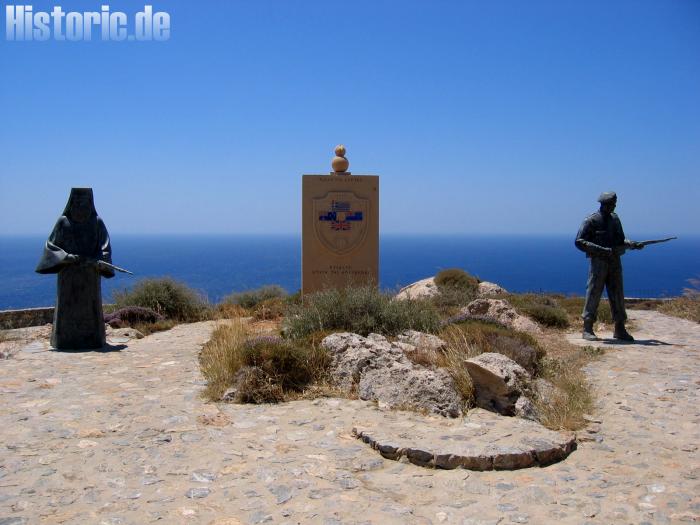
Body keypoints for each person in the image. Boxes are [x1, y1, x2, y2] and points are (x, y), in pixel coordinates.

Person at [36, 188, 115, 349]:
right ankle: (64, 341)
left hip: (89, 278)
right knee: (67, 309)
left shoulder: (97, 223)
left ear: (90, 202)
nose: (80, 204)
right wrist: (65, 257)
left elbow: (105, 249)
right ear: (71, 202)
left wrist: (97, 260)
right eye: (77, 201)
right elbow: (50, 247)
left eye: (83, 201)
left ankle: (93, 339)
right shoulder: (63, 222)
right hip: (68, 277)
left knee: (90, 309)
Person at [575, 192, 643, 341]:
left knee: (617, 293)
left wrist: (632, 244)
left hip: (614, 261)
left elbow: (620, 239)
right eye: (612, 204)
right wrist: (600, 250)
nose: (614, 206)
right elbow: (579, 241)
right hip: (598, 263)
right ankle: (587, 328)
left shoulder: (615, 219)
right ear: (604, 204)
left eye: (615, 203)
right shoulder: (591, 220)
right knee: (593, 292)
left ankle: (620, 328)